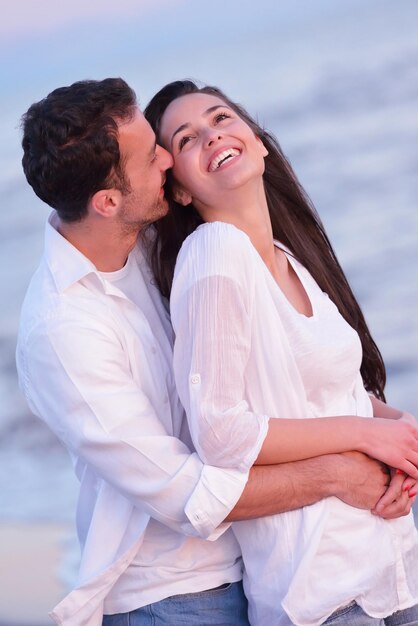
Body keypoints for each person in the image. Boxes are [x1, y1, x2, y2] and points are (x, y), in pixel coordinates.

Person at [15, 77, 409, 626]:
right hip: (171, 597)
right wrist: (341, 471)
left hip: (261, 561)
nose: (166, 161)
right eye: (154, 153)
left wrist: (391, 428)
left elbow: (282, 372)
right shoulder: (63, 334)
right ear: (106, 202)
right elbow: (189, 492)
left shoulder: (155, 237)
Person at [144, 79, 418, 626]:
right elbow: (220, 433)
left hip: (388, 562)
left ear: (259, 141)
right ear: (178, 190)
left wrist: (402, 431)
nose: (212, 135)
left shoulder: (289, 256)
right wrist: (366, 435)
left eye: (221, 118)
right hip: (323, 592)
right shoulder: (213, 253)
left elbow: (326, 393)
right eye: (186, 137)